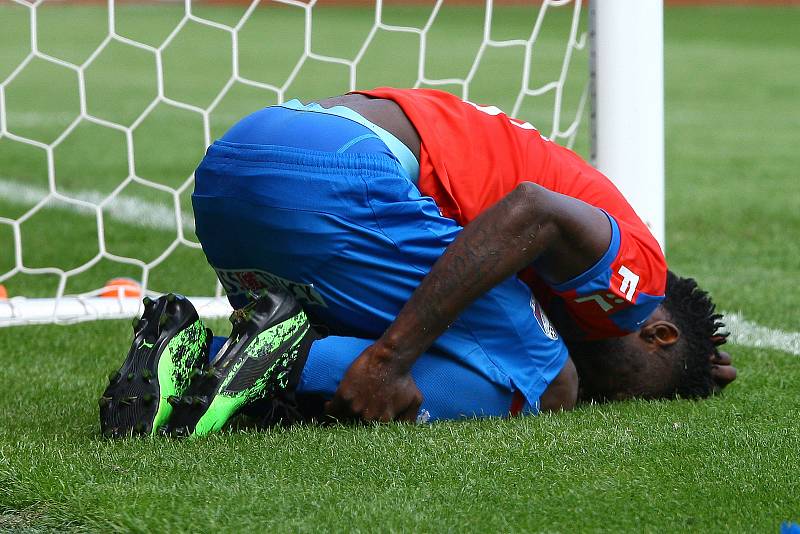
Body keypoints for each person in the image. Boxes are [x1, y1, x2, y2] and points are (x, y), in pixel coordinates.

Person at [99, 89, 736, 438]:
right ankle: (246, 367)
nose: (608, 398)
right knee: (549, 385)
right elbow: (532, 210)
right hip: (333, 174)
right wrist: (389, 360)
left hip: (230, 169)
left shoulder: (571, 280)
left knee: (454, 341)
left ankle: (187, 357)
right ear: (658, 335)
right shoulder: (638, 275)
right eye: (622, 391)